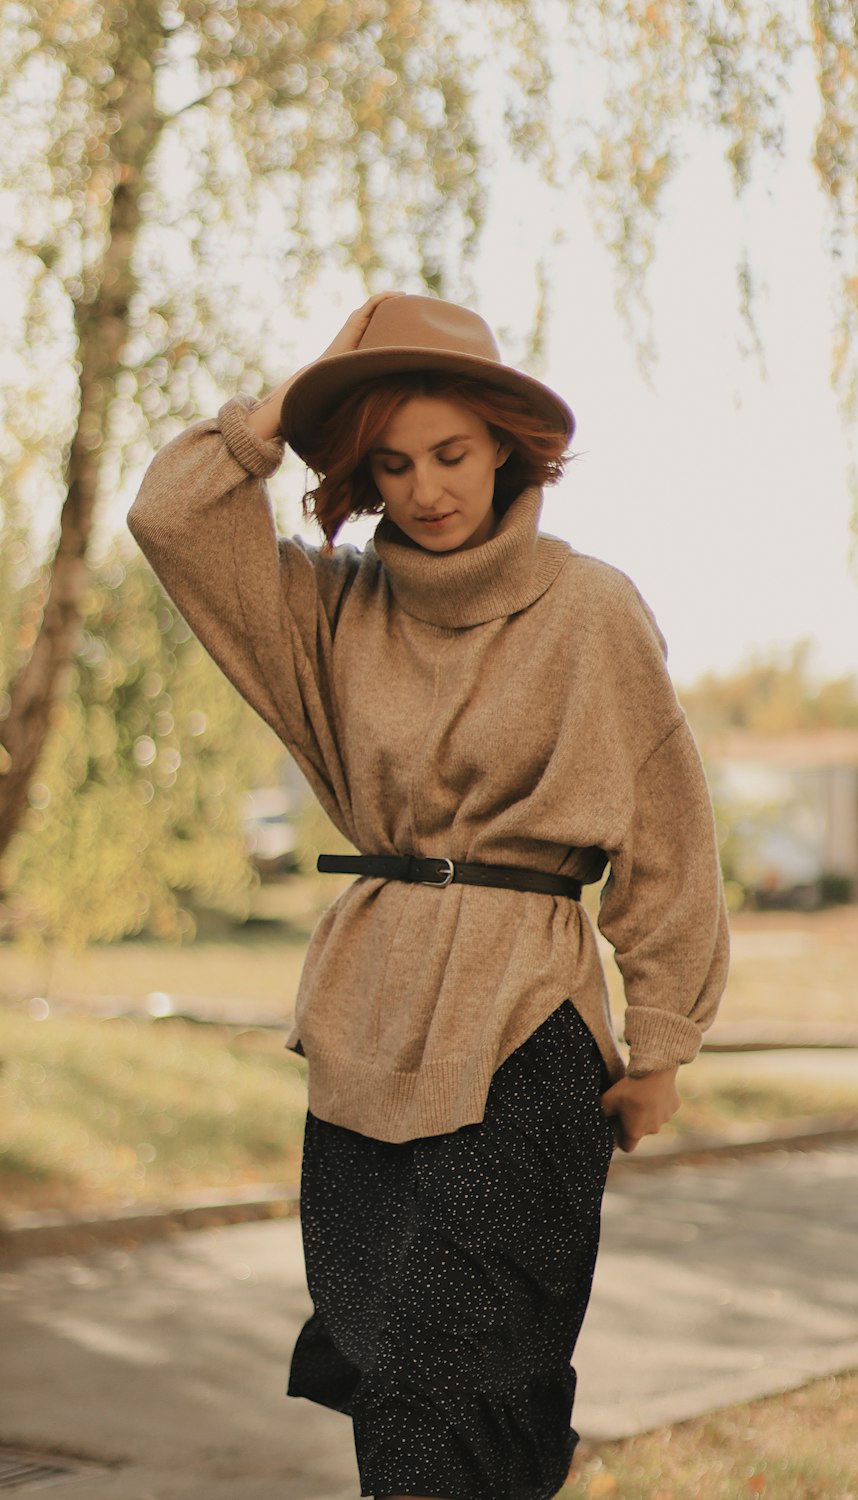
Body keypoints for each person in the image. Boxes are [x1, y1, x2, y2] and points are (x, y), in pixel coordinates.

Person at [128, 291, 729, 1500]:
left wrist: (662, 1038)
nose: (426, 488)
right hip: (366, 1022)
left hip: (525, 1027)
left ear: (507, 441)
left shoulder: (591, 608)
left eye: (451, 452)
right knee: (384, 1374)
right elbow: (172, 514)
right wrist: (289, 406)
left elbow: (667, 833)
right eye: (391, 463)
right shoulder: (327, 609)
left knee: (449, 1379)